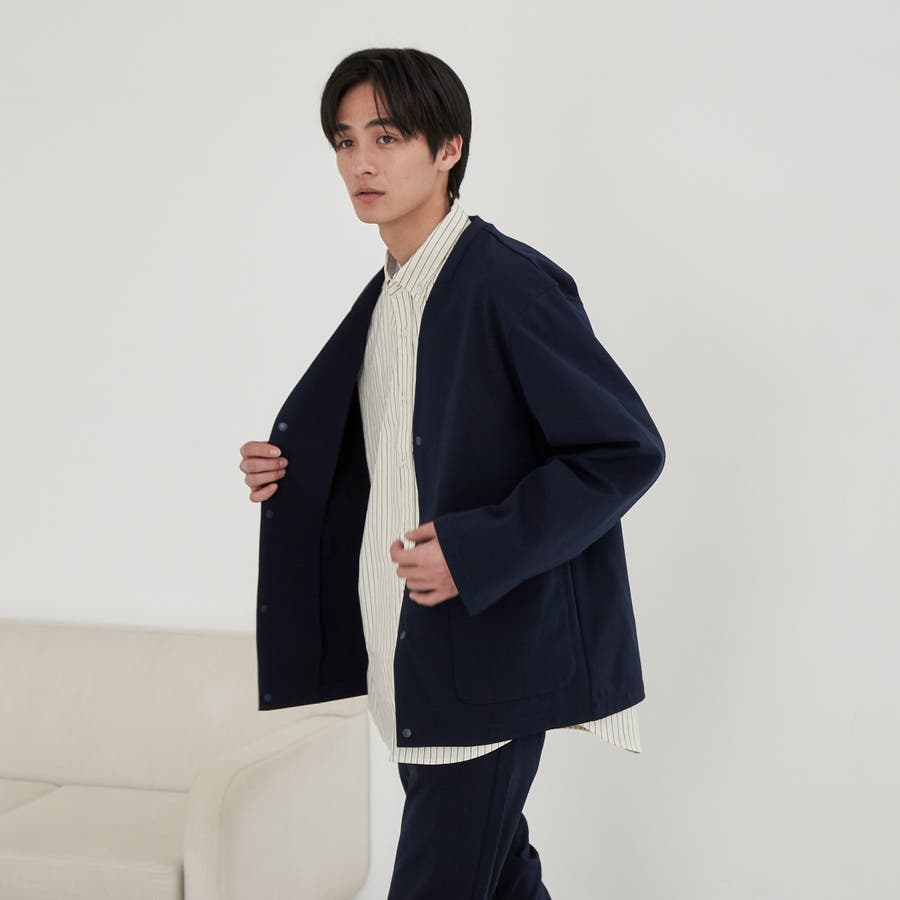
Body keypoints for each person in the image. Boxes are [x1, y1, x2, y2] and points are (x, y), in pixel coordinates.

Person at [239, 47, 665, 900]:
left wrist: (476, 550)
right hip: (412, 661)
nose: (360, 162)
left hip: (484, 666)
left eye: (386, 137)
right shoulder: (392, 295)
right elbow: (414, 450)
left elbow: (622, 450)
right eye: (345, 140)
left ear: (449, 149)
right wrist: (296, 471)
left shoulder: (505, 283)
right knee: (496, 877)